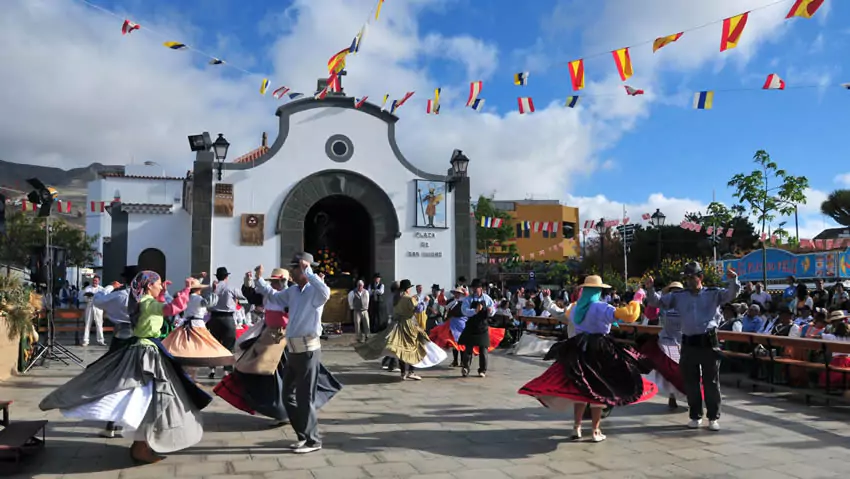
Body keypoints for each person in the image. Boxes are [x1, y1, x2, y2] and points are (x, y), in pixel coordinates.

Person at [40, 272, 211, 463]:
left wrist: (162, 292)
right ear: (148, 287)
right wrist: (187, 289)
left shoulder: (144, 301)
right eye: (158, 284)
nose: (161, 286)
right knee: (147, 397)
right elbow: (173, 308)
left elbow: (161, 308)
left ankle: (141, 444)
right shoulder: (147, 303)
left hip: (145, 349)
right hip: (147, 354)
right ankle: (140, 446)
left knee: (146, 397)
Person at [519, 275, 653, 442]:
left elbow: (560, 314)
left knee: (581, 389)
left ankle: (577, 427)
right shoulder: (602, 308)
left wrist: (547, 300)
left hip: (578, 348)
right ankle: (596, 430)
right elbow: (630, 315)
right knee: (600, 388)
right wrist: (638, 298)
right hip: (600, 349)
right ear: (598, 291)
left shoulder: (575, 308)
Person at [215, 265, 341, 430]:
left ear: (284, 281)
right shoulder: (273, 296)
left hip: (284, 341)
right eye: (272, 281)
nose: (274, 284)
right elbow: (253, 296)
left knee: (282, 377)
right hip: (268, 337)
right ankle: (279, 410)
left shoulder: (291, 296)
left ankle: (287, 411)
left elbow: (299, 312)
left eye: (276, 281)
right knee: (252, 369)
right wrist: (250, 280)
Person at [645, 262, 740, 431]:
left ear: (700, 277)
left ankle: (713, 417)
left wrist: (733, 281)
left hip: (708, 342)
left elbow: (731, 294)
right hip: (688, 342)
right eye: (686, 277)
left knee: (711, 381)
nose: (689, 281)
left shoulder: (713, 293)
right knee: (691, 381)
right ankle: (695, 415)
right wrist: (650, 289)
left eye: (692, 277)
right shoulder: (679, 296)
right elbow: (656, 302)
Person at [90, 265, 137, 439]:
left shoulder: (119, 295)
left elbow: (98, 300)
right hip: (141, 338)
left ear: (124, 280)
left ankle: (112, 424)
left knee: (115, 380)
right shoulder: (146, 297)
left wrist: (110, 286)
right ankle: (125, 422)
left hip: (120, 339)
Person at [161, 276, 234, 373]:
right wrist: (215, 291)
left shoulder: (186, 298)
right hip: (197, 325)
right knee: (201, 347)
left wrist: (165, 292)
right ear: (199, 289)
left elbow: (173, 301)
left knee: (185, 347)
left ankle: (186, 369)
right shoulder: (198, 299)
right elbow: (210, 302)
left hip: (186, 325)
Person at [639, 281, 686, 409]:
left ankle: (686, 396)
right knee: (669, 370)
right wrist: (650, 288)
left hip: (684, 341)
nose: (675, 292)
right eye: (672, 290)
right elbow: (652, 308)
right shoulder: (664, 303)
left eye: (678, 290)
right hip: (667, 341)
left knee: (683, 371)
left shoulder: (687, 304)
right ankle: (672, 396)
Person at [208, 266, 245, 379]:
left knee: (214, 344)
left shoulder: (212, 287)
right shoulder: (231, 287)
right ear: (226, 276)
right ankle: (226, 371)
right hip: (228, 318)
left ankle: (212, 369)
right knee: (229, 345)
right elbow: (242, 296)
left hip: (214, 318)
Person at [459, 279, 501, 378]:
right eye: (473, 288)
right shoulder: (468, 299)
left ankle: (482, 370)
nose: (474, 290)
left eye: (476, 288)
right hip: (471, 325)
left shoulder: (487, 298)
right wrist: (475, 311)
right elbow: (464, 311)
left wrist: (491, 310)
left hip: (483, 326)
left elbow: (493, 309)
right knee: (468, 349)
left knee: (483, 350)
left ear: (481, 288)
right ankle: (465, 368)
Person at [80, 275, 106, 346]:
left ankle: (101, 340)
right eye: (94, 280)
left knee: (99, 324)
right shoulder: (88, 288)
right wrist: (89, 297)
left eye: (96, 281)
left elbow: (104, 299)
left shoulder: (101, 289)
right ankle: (86, 340)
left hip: (98, 308)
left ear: (99, 281)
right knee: (88, 324)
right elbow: (84, 298)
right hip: (90, 306)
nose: (95, 282)